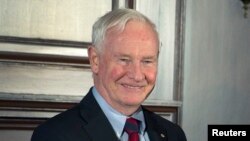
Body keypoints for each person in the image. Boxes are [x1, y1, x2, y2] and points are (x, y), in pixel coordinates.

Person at [31, 8, 186, 141]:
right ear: (95, 60)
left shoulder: (173, 135)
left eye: (147, 61)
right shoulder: (55, 136)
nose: (137, 75)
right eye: (124, 60)